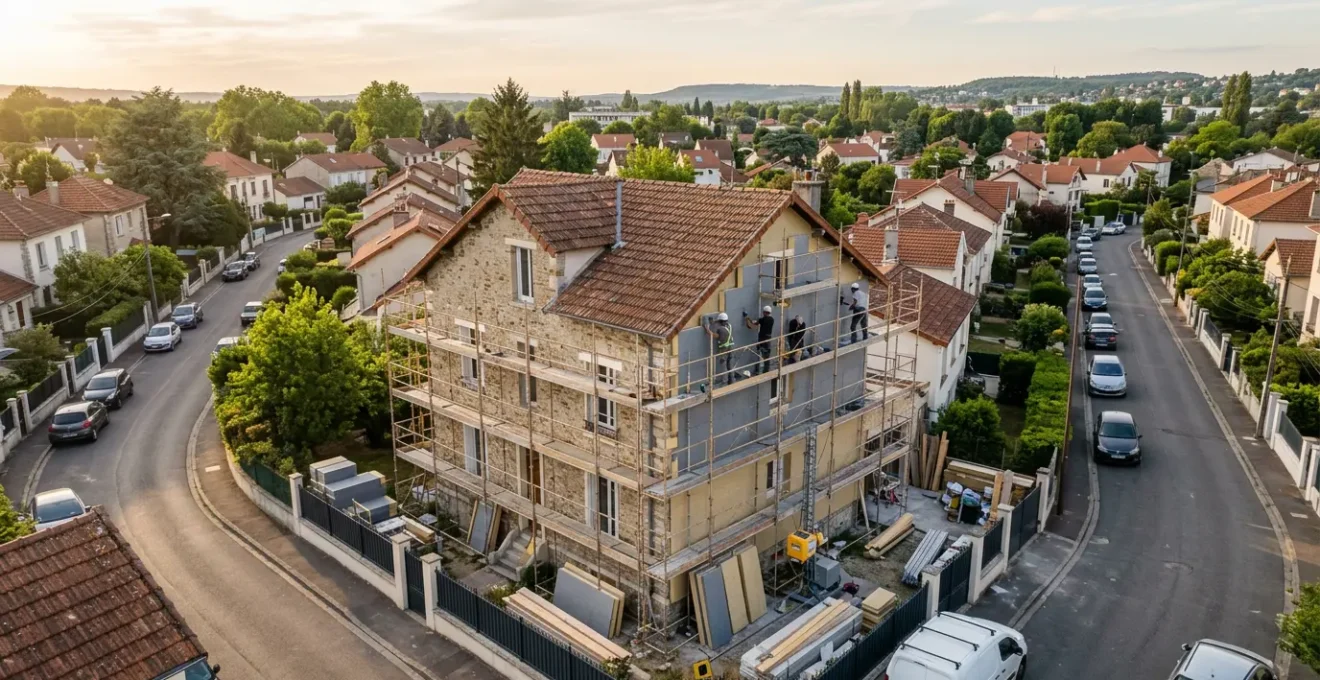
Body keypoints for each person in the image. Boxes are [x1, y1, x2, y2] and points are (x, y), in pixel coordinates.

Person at [703, 312, 734, 386]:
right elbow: (719, 322)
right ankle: (732, 380)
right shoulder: (729, 325)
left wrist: (707, 329)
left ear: (720, 321)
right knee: (730, 364)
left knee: (724, 366)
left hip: (724, 349)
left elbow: (715, 335)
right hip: (731, 348)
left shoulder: (721, 329)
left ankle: (725, 382)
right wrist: (712, 321)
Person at [744, 306, 775, 375]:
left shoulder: (762, 319)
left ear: (764, 312)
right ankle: (766, 370)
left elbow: (753, 323)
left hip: (761, 339)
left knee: (758, 354)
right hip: (768, 339)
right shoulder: (772, 320)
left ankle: (757, 370)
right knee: (767, 356)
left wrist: (747, 318)